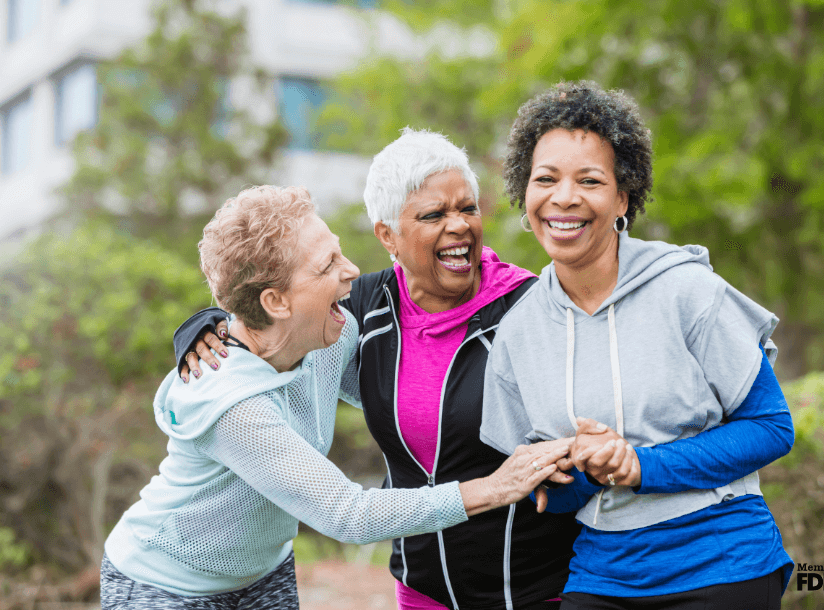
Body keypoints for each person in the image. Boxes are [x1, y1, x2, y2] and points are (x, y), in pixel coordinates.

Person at [101, 185, 571, 610]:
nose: (351, 273)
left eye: (338, 254)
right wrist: (495, 486)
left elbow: (401, 381)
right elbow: (349, 515)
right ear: (276, 303)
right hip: (163, 585)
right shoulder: (232, 402)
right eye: (327, 266)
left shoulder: (324, 337)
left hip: (264, 574)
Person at [479, 82, 795, 610]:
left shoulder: (688, 291)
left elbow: (771, 427)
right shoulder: (518, 334)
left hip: (722, 559)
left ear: (623, 197)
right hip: (604, 573)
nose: (564, 198)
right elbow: (550, 497)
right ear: (524, 193)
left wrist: (640, 467)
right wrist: (580, 466)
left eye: (589, 181)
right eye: (546, 179)